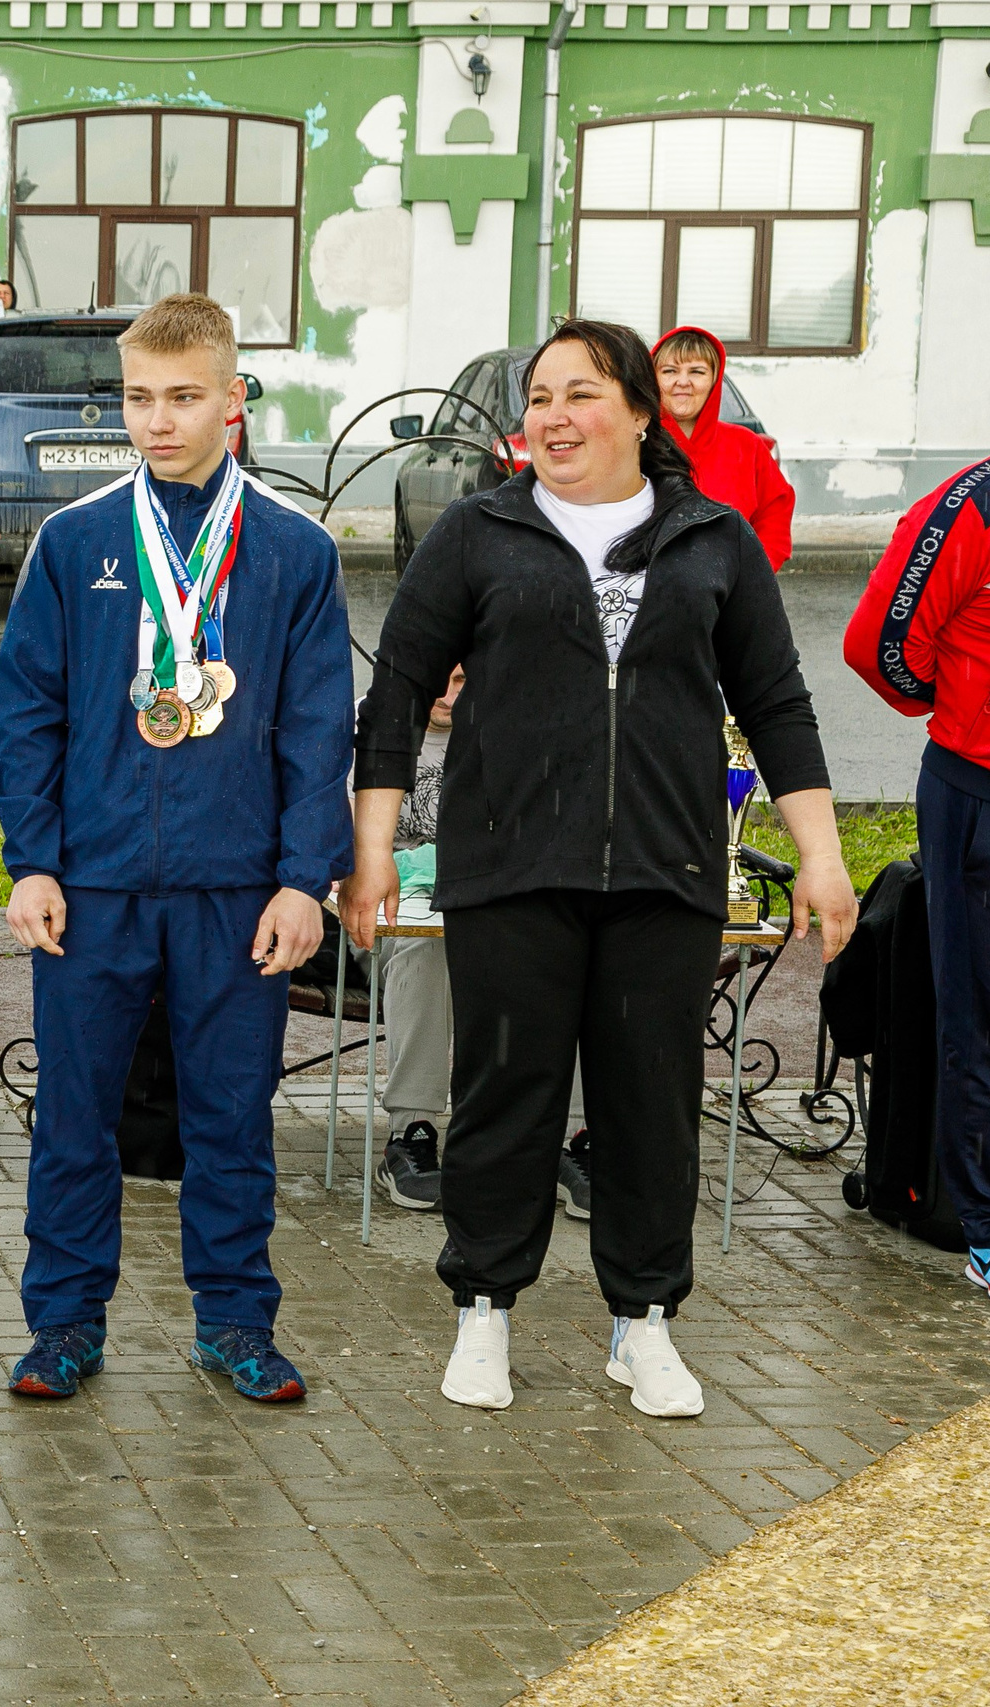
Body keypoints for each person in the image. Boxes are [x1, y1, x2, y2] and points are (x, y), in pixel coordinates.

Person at [349, 319, 854, 1421]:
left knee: (648, 1106)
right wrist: (374, 845)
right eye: (538, 397)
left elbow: (775, 703)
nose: (553, 416)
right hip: (511, 865)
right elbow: (396, 690)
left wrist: (820, 857)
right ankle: (484, 1310)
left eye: (579, 394)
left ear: (637, 410)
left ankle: (643, 1325)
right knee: (505, 1099)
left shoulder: (711, 537)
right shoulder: (478, 532)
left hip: (666, 872)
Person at [0, 292, 351, 1405]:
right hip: (92, 887)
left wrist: (303, 880)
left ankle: (235, 1321)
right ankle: (63, 1323)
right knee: (73, 1120)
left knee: (231, 1119)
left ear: (233, 401)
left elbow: (313, 728)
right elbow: (28, 712)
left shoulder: (294, 551)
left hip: (234, 891)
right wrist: (33, 861)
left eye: (184, 397)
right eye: (139, 398)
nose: (158, 421)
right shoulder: (76, 539)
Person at [841, 448, 990, 1303]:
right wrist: (968, 704)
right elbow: (879, 647)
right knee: (981, 1013)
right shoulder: (978, 502)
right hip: (982, 792)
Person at [370, 666, 593, 1219]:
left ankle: (576, 1139)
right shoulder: (372, 725)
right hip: (390, 916)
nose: (448, 696)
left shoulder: (517, 726)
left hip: (498, 904)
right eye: (438, 681)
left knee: (583, 947)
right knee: (428, 950)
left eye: (465, 681)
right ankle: (411, 1132)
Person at [652, 326, 794, 570]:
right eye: (669, 371)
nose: (682, 382)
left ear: (714, 380)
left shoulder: (746, 446)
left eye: (697, 372)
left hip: (730, 596)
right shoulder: (635, 443)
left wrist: (751, 574)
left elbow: (775, 515)